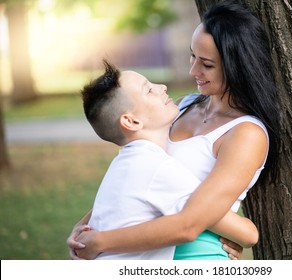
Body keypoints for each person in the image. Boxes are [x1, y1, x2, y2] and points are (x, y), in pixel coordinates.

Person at [67, 1, 280, 260]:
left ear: (237, 66)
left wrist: (101, 241)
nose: (193, 70)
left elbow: (191, 224)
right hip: (143, 253)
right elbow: (137, 174)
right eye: (193, 56)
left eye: (207, 65)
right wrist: (86, 226)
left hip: (191, 255)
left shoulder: (245, 134)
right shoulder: (181, 106)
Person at [74, 60, 258, 260]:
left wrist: (80, 234)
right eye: (149, 90)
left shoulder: (123, 165)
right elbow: (248, 234)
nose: (162, 87)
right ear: (131, 121)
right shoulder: (159, 169)